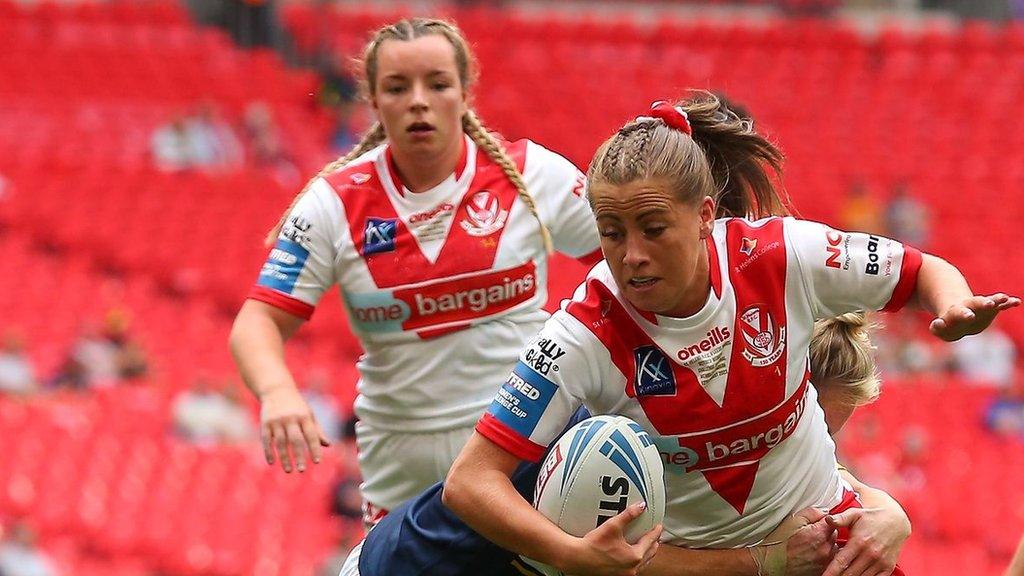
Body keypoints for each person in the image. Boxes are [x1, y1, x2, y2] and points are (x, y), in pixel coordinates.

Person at [443, 93, 1019, 576]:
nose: (632, 256)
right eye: (612, 233)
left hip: (833, 556)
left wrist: (954, 305)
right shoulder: (582, 332)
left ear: (705, 217)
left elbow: (921, 271)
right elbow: (469, 483)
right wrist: (572, 554)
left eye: (653, 228)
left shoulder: (780, 255)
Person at [229, 18, 601, 527]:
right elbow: (258, 322)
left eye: (438, 84)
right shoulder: (335, 202)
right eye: (398, 88)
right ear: (374, 101)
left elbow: (623, 266)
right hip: (402, 476)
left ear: (466, 93)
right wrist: (276, 392)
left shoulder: (534, 173)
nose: (418, 101)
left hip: (527, 450)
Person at [340, 315, 909, 576]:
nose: (818, 451)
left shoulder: (737, 441)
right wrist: (765, 563)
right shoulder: (631, 441)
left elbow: (842, 485)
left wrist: (889, 514)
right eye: (816, 428)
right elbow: (622, 558)